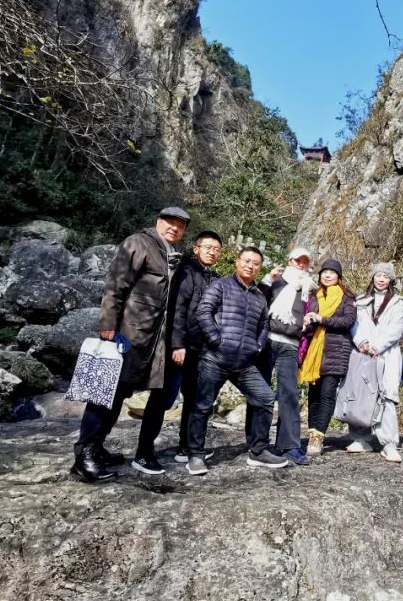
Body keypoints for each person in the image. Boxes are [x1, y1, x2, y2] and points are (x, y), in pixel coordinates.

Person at [71, 206, 190, 482]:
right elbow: (115, 285)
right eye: (169, 222)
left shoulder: (168, 253)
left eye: (180, 225)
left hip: (149, 340)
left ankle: (97, 448)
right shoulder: (139, 243)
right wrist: (107, 326)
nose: (174, 228)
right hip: (126, 334)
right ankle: (84, 456)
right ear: (158, 222)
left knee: (118, 394)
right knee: (104, 395)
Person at [188, 246, 288, 475]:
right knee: (202, 406)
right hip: (215, 358)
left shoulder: (259, 296)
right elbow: (203, 311)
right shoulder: (221, 285)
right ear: (237, 261)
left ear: (259, 268)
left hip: (244, 363)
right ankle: (195, 455)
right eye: (246, 261)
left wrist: (258, 345)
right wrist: (215, 339)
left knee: (264, 398)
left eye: (255, 263)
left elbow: (264, 324)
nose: (250, 266)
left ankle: (258, 451)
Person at [132, 230, 223, 474]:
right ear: (196, 248)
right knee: (162, 400)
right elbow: (177, 310)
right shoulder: (185, 272)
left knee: (194, 401)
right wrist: (177, 344)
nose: (212, 252)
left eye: (216, 249)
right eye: (208, 247)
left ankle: (186, 447)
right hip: (179, 349)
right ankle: (143, 453)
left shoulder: (211, 277)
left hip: (199, 351)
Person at [256, 247, 316, 465]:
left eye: (305, 261)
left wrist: (310, 322)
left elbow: (312, 318)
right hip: (268, 340)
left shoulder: (310, 288)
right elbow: (257, 301)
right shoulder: (277, 280)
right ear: (290, 260)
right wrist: (267, 280)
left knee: (289, 394)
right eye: (298, 260)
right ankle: (257, 444)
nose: (301, 264)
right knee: (260, 392)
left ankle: (289, 445)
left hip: (290, 344)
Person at [348, 262, 403, 462]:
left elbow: (396, 330)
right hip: (364, 353)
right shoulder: (361, 300)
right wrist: (362, 342)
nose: (381, 279)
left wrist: (378, 346)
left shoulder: (399, 302)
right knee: (362, 394)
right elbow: (354, 325)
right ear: (372, 277)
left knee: (387, 395)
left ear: (391, 279)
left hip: (387, 354)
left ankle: (389, 443)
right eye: (378, 275)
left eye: (385, 276)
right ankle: (360, 438)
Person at [300, 259, 357, 456]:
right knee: (313, 396)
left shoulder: (347, 297)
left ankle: (319, 437)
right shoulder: (313, 296)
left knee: (326, 394)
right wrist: (307, 322)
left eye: (332, 272)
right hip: (315, 353)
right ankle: (311, 434)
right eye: (325, 272)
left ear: (339, 276)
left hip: (335, 351)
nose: (328, 275)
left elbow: (348, 321)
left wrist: (322, 319)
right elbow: (308, 324)